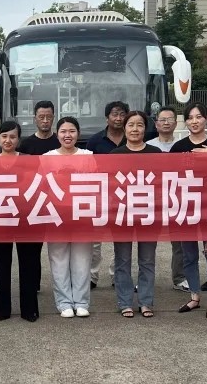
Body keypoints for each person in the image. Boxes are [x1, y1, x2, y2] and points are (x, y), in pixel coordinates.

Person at [171, 103, 207, 318]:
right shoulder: (178, 147)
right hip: (186, 208)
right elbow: (169, 177)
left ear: (206, 118)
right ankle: (194, 296)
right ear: (185, 121)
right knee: (188, 255)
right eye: (190, 117)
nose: (194, 121)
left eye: (198, 117)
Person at [110, 111, 162, 318]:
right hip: (122, 214)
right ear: (124, 128)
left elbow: (162, 184)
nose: (135, 129)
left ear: (145, 129)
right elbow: (109, 186)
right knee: (122, 260)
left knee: (147, 260)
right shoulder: (114, 155)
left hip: (149, 214)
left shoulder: (156, 154)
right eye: (131, 125)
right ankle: (124, 302)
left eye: (139, 125)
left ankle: (146, 301)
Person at [0, 121, 40, 322]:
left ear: (18, 139)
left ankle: (29, 309)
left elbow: (36, 187)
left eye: (12, 136)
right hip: (0, 219)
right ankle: (2, 310)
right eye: (4, 136)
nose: (8, 140)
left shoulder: (29, 160)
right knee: (2, 265)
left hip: (25, 218)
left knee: (28, 264)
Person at [44, 117, 94, 318]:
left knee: (82, 260)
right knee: (59, 260)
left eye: (72, 131)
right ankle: (64, 302)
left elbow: (95, 184)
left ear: (78, 134)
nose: (67, 135)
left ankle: (81, 302)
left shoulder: (88, 156)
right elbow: (41, 186)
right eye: (63, 131)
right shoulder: (47, 157)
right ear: (57, 134)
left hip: (82, 216)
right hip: (56, 216)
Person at [86, 101, 128, 290]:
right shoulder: (95, 141)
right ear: (107, 118)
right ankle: (91, 277)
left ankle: (117, 275)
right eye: (114, 114)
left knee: (121, 239)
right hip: (99, 194)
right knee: (94, 241)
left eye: (122, 114)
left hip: (125, 195)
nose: (118, 118)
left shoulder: (132, 138)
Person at [147, 106, 188, 293]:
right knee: (147, 243)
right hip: (152, 200)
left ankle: (180, 278)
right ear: (156, 124)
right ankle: (145, 280)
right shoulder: (148, 147)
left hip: (177, 199)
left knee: (179, 242)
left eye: (169, 119)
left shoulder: (183, 146)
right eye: (162, 120)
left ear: (175, 123)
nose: (165, 123)